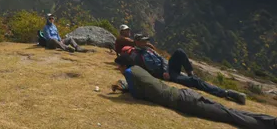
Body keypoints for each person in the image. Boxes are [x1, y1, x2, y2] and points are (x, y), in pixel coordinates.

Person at [112, 54, 277, 129]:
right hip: (185, 95)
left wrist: (125, 89)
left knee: (230, 116)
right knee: (230, 111)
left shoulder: (128, 73)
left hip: (184, 102)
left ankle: (269, 124)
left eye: (118, 66)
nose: (118, 69)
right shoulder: (137, 69)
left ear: (123, 65)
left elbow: (137, 94)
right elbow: (145, 85)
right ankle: (271, 121)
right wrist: (125, 87)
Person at [129, 34, 246, 105]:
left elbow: (162, 59)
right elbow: (153, 68)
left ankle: (190, 73)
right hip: (167, 74)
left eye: (146, 40)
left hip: (167, 69)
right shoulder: (140, 55)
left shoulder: (147, 50)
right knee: (195, 82)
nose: (146, 42)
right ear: (137, 42)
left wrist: (165, 68)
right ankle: (227, 93)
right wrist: (165, 72)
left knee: (179, 51)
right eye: (143, 41)